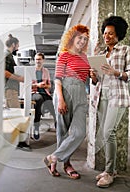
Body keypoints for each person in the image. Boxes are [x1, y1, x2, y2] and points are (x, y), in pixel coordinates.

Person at [44, 24, 93, 179]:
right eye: (80, 37)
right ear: (72, 37)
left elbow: (88, 79)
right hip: (64, 91)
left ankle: (53, 158)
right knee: (63, 131)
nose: (82, 41)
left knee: (80, 132)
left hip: (81, 93)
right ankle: (66, 164)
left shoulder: (85, 58)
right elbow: (57, 79)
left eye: (85, 39)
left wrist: (94, 75)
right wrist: (60, 100)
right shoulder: (64, 55)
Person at [91, 16, 130, 187]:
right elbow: (97, 81)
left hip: (118, 96)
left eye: (110, 33)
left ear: (118, 34)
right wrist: (93, 76)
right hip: (103, 95)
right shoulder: (102, 54)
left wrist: (115, 72)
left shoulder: (125, 50)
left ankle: (109, 172)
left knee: (109, 132)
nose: (106, 36)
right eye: (105, 33)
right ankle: (110, 169)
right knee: (104, 133)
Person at [4, 34, 31, 151]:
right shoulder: (6, 55)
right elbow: (4, 72)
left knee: (14, 116)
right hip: (9, 89)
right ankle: (19, 142)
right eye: (18, 46)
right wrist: (19, 78)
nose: (18, 48)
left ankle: (15, 141)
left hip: (11, 89)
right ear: (13, 45)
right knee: (16, 115)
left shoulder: (9, 55)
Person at [31, 52, 56, 140]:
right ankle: (36, 127)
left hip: (45, 93)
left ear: (43, 60)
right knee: (39, 99)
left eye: (39, 59)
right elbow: (27, 85)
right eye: (36, 59)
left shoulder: (46, 71)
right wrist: (38, 85)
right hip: (34, 93)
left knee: (53, 106)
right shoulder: (30, 71)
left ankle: (58, 126)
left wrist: (44, 86)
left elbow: (49, 86)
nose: (38, 61)